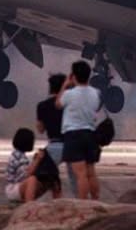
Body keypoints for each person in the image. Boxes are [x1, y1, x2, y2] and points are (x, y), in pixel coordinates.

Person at [57, 60, 102, 200]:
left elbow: (58, 104)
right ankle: (96, 200)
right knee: (91, 173)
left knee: (80, 175)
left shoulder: (70, 94)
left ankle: (83, 203)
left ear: (73, 76)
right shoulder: (96, 93)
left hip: (74, 135)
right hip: (90, 135)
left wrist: (65, 86)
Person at [36, 73, 77, 195]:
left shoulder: (42, 106)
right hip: (71, 145)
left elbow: (40, 129)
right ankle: (82, 203)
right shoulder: (69, 105)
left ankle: (53, 200)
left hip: (54, 145)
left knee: (44, 175)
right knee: (75, 179)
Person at [5, 128, 60, 202]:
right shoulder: (18, 156)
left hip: (19, 186)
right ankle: (29, 206)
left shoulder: (22, 156)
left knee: (52, 180)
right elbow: (25, 175)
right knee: (32, 180)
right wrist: (37, 160)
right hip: (13, 189)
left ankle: (57, 204)